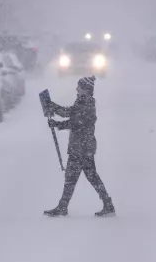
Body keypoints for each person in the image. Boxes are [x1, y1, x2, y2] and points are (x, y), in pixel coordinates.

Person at [44, 76, 115, 217]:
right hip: (82, 147)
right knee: (86, 177)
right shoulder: (82, 101)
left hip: (81, 149)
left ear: (86, 89)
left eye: (79, 87)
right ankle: (107, 204)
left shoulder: (87, 104)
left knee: (74, 177)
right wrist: (52, 106)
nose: (76, 89)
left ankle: (63, 207)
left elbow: (76, 123)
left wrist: (58, 124)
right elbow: (69, 112)